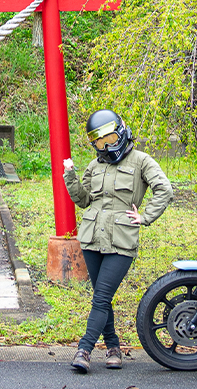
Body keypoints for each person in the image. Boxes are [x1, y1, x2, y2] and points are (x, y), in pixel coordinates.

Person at [62, 109, 174, 374]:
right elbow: (84, 200)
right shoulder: (94, 165)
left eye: (110, 137)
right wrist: (70, 176)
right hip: (91, 238)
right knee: (103, 296)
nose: (107, 145)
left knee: (101, 297)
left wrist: (145, 217)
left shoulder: (140, 161)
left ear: (121, 131)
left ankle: (85, 349)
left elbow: (164, 190)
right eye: (100, 142)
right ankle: (113, 347)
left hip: (121, 240)